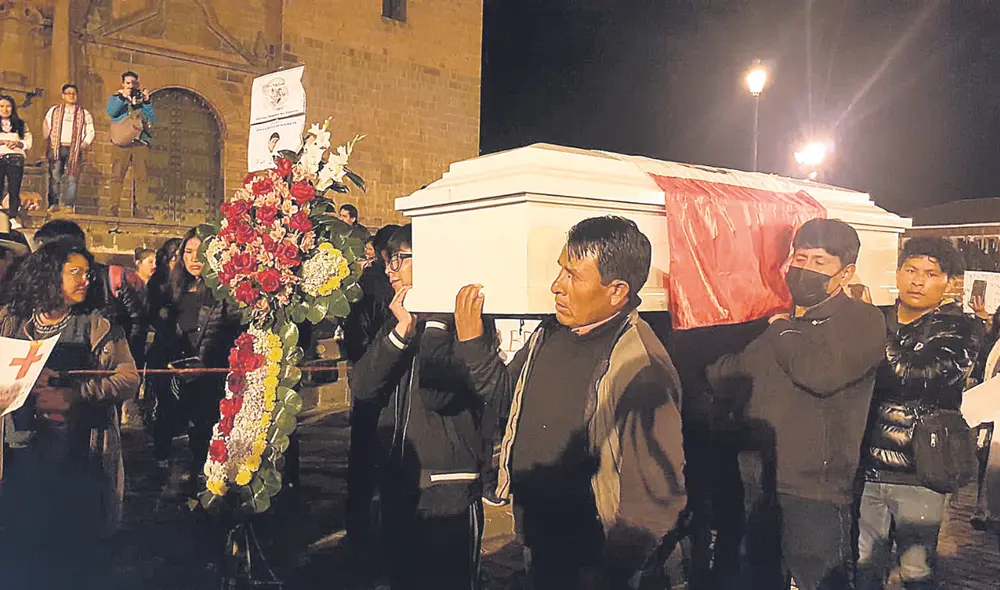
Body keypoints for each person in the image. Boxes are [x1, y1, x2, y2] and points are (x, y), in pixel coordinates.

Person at [459, 215, 687, 587]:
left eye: (574, 277)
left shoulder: (640, 366)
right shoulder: (549, 333)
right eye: (560, 271)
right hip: (537, 538)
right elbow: (506, 398)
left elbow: (655, 496)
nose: (556, 287)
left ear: (617, 291)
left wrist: (612, 572)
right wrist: (472, 343)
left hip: (591, 561)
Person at [707, 218, 887, 590]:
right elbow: (728, 372)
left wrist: (779, 326)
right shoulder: (782, 325)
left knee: (820, 581)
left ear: (845, 273)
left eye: (820, 262)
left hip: (815, 491)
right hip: (759, 484)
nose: (805, 269)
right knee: (756, 576)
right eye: (800, 258)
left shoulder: (863, 320)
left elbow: (820, 373)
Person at [349, 224, 499, 589]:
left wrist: (433, 322)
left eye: (399, 259)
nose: (390, 270)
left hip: (446, 489)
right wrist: (400, 334)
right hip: (400, 483)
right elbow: (363, 387)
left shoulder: (466, 323)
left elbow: (438, 394)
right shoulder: (400, 318)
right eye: (388, 260)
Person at [0, 239, 139, 589]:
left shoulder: (98, 326)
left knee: (68, 545)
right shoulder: (10, 322)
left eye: (88, 273)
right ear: (48, 275)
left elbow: (127, 379)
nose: (84, 280)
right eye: (73, 272)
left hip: (76, 455)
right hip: (16, 451)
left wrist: (77, 394)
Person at [856, 237, 981, 590]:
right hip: (866, 463)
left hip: (920, 468)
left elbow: (919, 375)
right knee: (864, 564)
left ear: (948, 282)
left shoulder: (961, 327)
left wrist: (873, 332)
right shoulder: (876, 316)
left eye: (930, 273)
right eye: (910, 270)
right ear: (897, 273)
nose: (917, 280)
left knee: (915, 570)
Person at [150, 229, 239, 475]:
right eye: (188, 252)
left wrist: (205, 365)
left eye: (201, 253)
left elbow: (231, 334)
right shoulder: (170, 290)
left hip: (210, 378)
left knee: (205, 439)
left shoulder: (224, 293)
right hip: (173, 376)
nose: (194, 258)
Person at [343, 223, 399, 551]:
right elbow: (357, 338)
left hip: (374, 381)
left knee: (365, 461)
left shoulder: (365, 285)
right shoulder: (369, 287)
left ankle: (360, 527)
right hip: (377, 379)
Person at [33, 220, 148, 371]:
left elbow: (137, 324)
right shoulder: (21, 307)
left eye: (48, 250)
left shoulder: (111, 280)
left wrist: (121, 359)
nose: (42, 259)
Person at [106, 70, 156, 219]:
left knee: (142, 177)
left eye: (134, 83)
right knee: (117, 176)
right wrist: (123, 96)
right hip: (121, 143)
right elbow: (111, 111)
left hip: (139, 142)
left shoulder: (140, 99)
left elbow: (152, 118)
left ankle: (142, 209)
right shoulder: (117, 98)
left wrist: (146, 102)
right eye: (128, 83)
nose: (131, 86)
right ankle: (113, 208)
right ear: (123, 84)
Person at [43, 84, 95, 212]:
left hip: (75, 149)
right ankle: (53, 204)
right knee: (55, 176)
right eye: (68, 93)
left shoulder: (84, 113)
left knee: (72, 178)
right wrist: (48, 141)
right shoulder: (54, 111)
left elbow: (91, 131)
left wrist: (84, 143)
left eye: (74, 93)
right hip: (57, 147)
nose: (71, 95)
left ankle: (68, 205)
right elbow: (46, 125)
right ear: (63, 96)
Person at [0, 94, 32, 222]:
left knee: (14, 188)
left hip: (15, 158)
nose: (5, 109)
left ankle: (12, 217)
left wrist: (19, 144)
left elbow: (28, 142)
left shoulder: (20, 124)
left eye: (8, 106)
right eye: (1, 106)